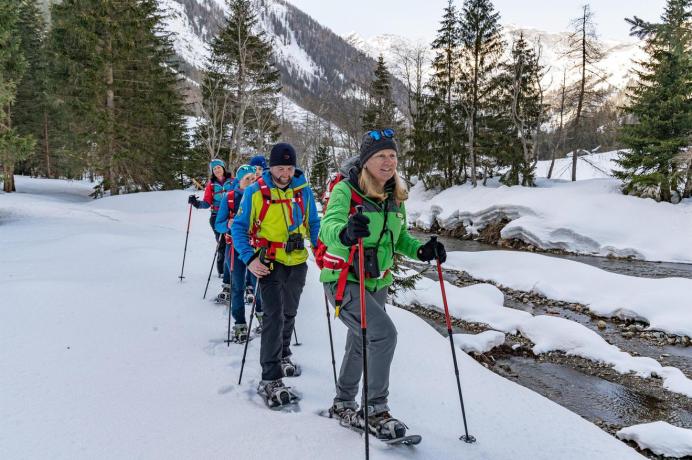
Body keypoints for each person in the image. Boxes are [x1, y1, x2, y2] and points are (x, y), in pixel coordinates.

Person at [318, 129, 446, 439]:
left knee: (361, 341)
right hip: (344, 280)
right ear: (366, 161)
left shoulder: (393, 195)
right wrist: (346, 233)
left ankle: (343, 401)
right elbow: (328, 227)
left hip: (377, 281)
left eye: (392, 156)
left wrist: (422, 251)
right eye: (380, 156)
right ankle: (375, 409)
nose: (388, 162)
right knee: (384, 334)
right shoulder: (346, 191)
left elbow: (399, 238)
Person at [231, 143, 320, 406]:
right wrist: (248, 259)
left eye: (290, 167)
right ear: (271, 167)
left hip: (297, 261)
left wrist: (321, 250)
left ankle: (283, 354)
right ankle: (270, 377)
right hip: (268, 262)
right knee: (273, 317)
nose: (285, 173)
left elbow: (313, 223)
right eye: (280, 167)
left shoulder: (303, 190)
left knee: (289, 313)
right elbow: (239, 228)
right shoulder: (256, 192)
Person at [214, 165, 264, 342]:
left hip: (255, 247)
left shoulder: (260, 196)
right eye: (247, 179)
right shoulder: (229, 198)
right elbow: (218, 224)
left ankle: (262, 318)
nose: (251, 181)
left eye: (253, 178)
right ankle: (240, 324)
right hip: (234, 248)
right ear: (239, 181)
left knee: (259, 284)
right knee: (237, 286)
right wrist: (228, 223)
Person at [188, 159, 234, 277]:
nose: (217, 170)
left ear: (223, 168)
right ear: (212, 171)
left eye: (219, 167)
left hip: (232, 216)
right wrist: (196, 203)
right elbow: (207, 203)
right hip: (216, 217)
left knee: (234, 242)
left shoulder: (233, 181)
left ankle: (235, 268)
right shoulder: (211, 186)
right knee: (222, 243)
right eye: (214, 169)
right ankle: (222, 271)